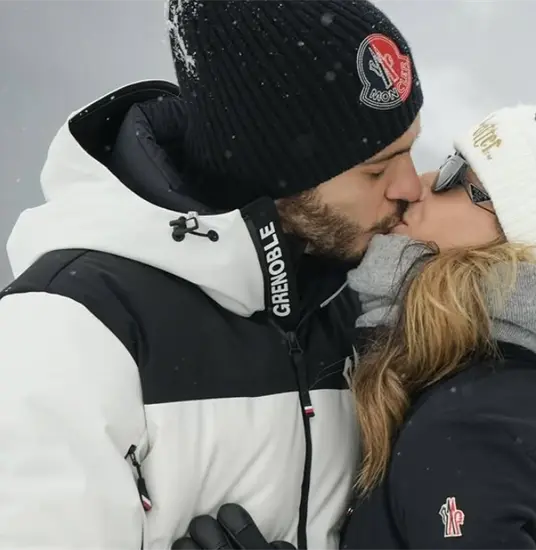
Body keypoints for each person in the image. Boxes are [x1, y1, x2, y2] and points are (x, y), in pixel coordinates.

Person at [175, 103, 536, 550]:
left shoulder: (482, 418)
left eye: (462, 182)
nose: (420, 182)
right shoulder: (451, 386)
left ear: (524, 253)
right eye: (444, 162)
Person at [0, 0, 424, 549]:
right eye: (376, 168)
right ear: (272, 167)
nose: (411, 186)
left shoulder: (354, 298)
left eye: (411, 148)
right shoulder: (68, 331)